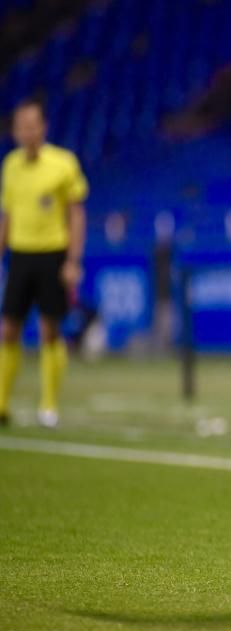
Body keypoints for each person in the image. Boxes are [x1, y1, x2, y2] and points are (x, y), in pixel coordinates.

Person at [0, 99, 88, 428]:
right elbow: (6, 216)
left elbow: (76, 214)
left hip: (52, 254)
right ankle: (2, 403)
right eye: (21, 125)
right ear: (14, 130)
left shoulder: (63, 163)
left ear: (43, 127)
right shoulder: (10, 165)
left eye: (32, 124)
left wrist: (72, 260)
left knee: (49, 330)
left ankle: (49, 405)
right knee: (8, 329)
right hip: (20, 255)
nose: (27, 131)